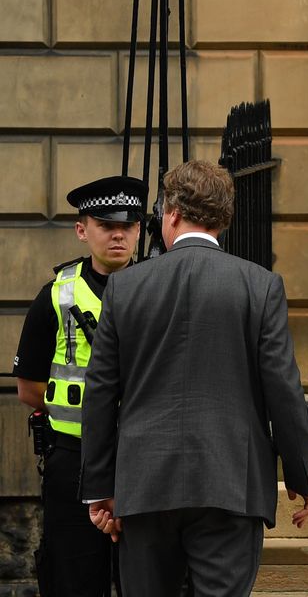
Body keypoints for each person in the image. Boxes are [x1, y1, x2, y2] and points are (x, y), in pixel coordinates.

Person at [78, 160, 308, 596]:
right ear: (223, 220)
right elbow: (283, 390)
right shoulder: (260, 285)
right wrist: (303, 478)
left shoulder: (124, 287)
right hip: (230, 482)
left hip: (144, 483)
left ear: (171, 214)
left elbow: (100, 392)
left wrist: (99, 486)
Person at [12, 175, 146, 596]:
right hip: (73, 459)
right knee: (73, 577)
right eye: (106, 225)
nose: (119, 234)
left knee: (145, 578)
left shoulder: (159, 288)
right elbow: (29, 387)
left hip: (142, 458)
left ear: (141, 229)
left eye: (128, 225)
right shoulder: (55, 295)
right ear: (82, 229)